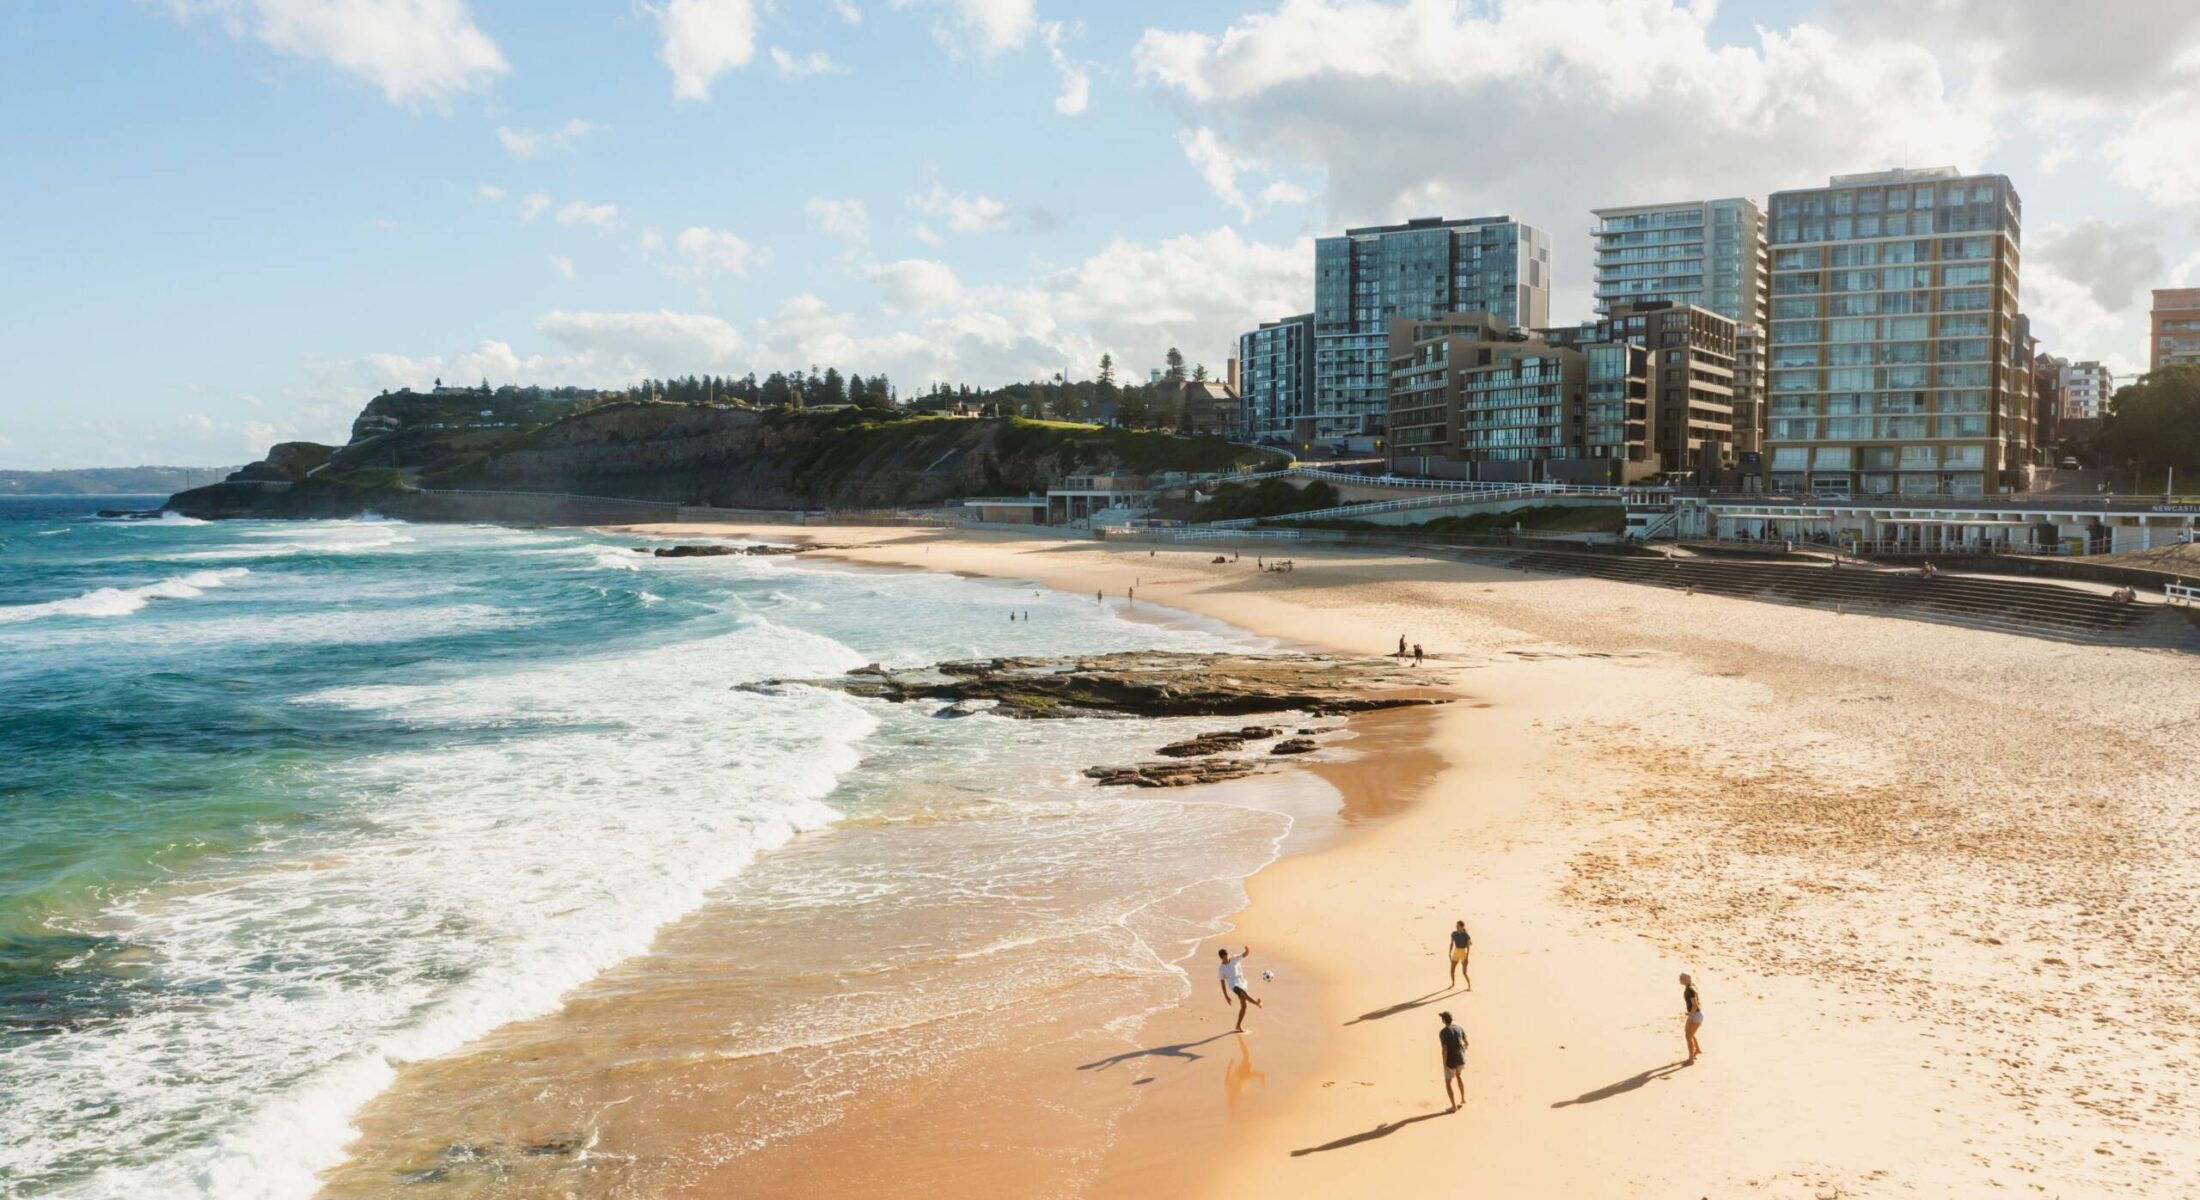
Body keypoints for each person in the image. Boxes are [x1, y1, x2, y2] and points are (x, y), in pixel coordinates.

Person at [1218, 945, 1262, 1031]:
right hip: (1233, 986)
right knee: (1244, 994)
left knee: (1244, 1006)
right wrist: (1226, 996)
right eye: (1224, 957)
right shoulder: (1221, 969)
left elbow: (1244, 955)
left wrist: (1247, 949)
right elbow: (1222, 984)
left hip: (1241, 982)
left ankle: (1238, 1025)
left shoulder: (1234, 959)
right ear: (1221, 958)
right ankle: (1257, 1003)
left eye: (1226, 956)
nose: (1226, 958)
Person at [1437, 1010, 1469, 1111]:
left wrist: (1444, 1062)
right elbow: (1466, 1042)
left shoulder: (1443, 1033)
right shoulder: (1459, 1027)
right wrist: (1463, 1048)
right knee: (1459, 1076)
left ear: (1443, 1020)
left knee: (1448, 1082)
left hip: (1451, 1060)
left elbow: (1444, 1049)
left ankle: (1454, 1106)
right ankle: (1463, 1099)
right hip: (1461, 1058)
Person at [1680, 972, 1704, 1065]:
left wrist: (1690, 1017)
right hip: (1696, 1014)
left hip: (1696, 1015)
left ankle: (1691, 1060)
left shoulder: (1689, 990)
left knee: (1688, 1036)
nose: (1680, 979)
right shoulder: (1691, 988)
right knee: (1689, 1033)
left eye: (1681, 978)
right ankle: (1697, 1050)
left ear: (1686, 980)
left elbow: (1695, 1005)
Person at [1447, 920, 1472, 989]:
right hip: (1456, 952)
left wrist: (1467, 957)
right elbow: (1452, 943)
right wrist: (1449, 952)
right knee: (1452, 971)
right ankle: (1453, 983)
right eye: (1456, 926)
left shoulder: (1465, 935)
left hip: (1463, 953)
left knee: (1464, 973)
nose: (1456, 927)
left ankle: (1469, 985)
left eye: (1458, 926)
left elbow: (1468, 947)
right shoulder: (1454, 933)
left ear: (1462, 927)